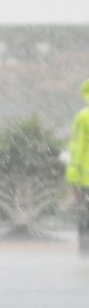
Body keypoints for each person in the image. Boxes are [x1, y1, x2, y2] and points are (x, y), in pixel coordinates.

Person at [66, 78, 89, 253]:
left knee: (86, 213)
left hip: (86, 178)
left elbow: (78, 148)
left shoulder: (83, 117)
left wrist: (73, 177)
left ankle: (85, 244)